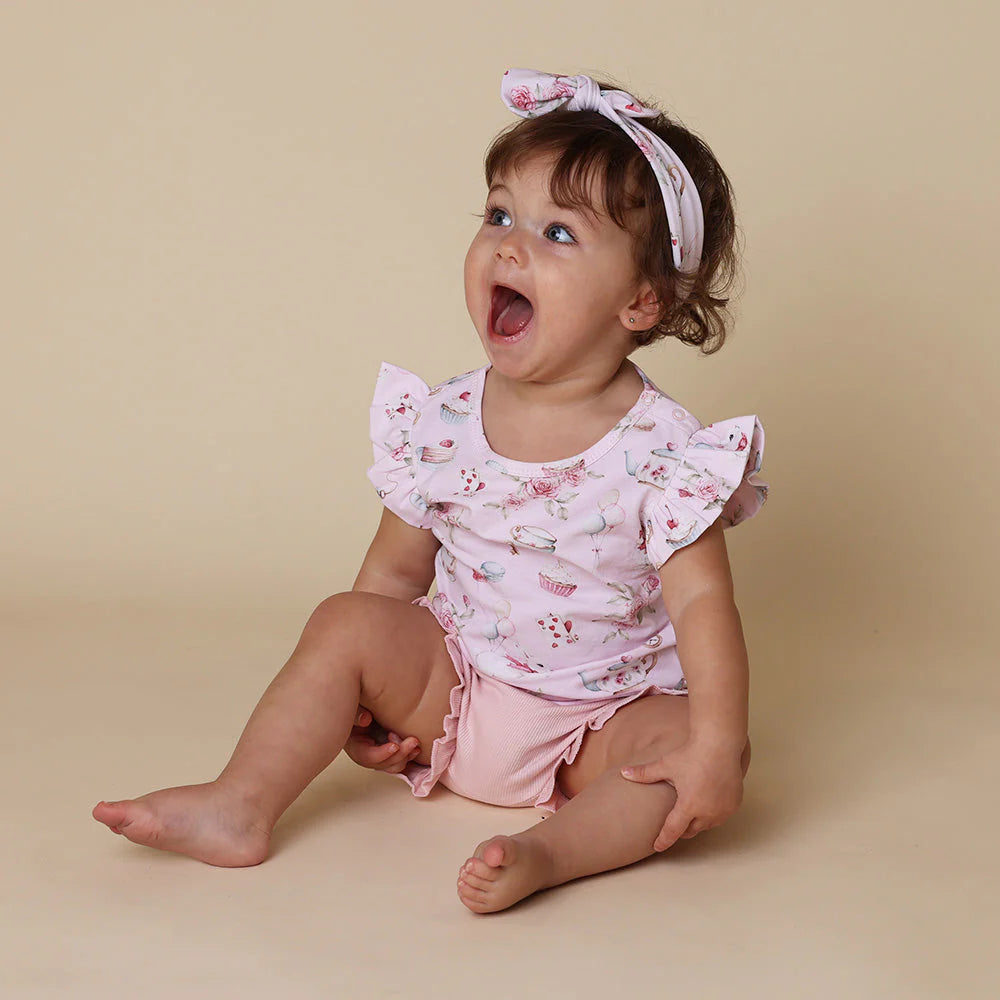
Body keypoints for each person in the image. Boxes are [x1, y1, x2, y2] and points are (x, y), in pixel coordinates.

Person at [93, 68, 769, 915]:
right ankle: (240, 802)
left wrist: (717, 743)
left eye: (558, 233)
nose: (509, 247)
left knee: (692, 748)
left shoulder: (665, 452)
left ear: (641, 300)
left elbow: (704, 605)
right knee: (342, 620)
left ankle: (548, 853)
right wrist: (360, 702)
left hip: (602, 721)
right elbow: (391, 575)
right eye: (498, 215)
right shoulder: (442, 420)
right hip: (458, 688)